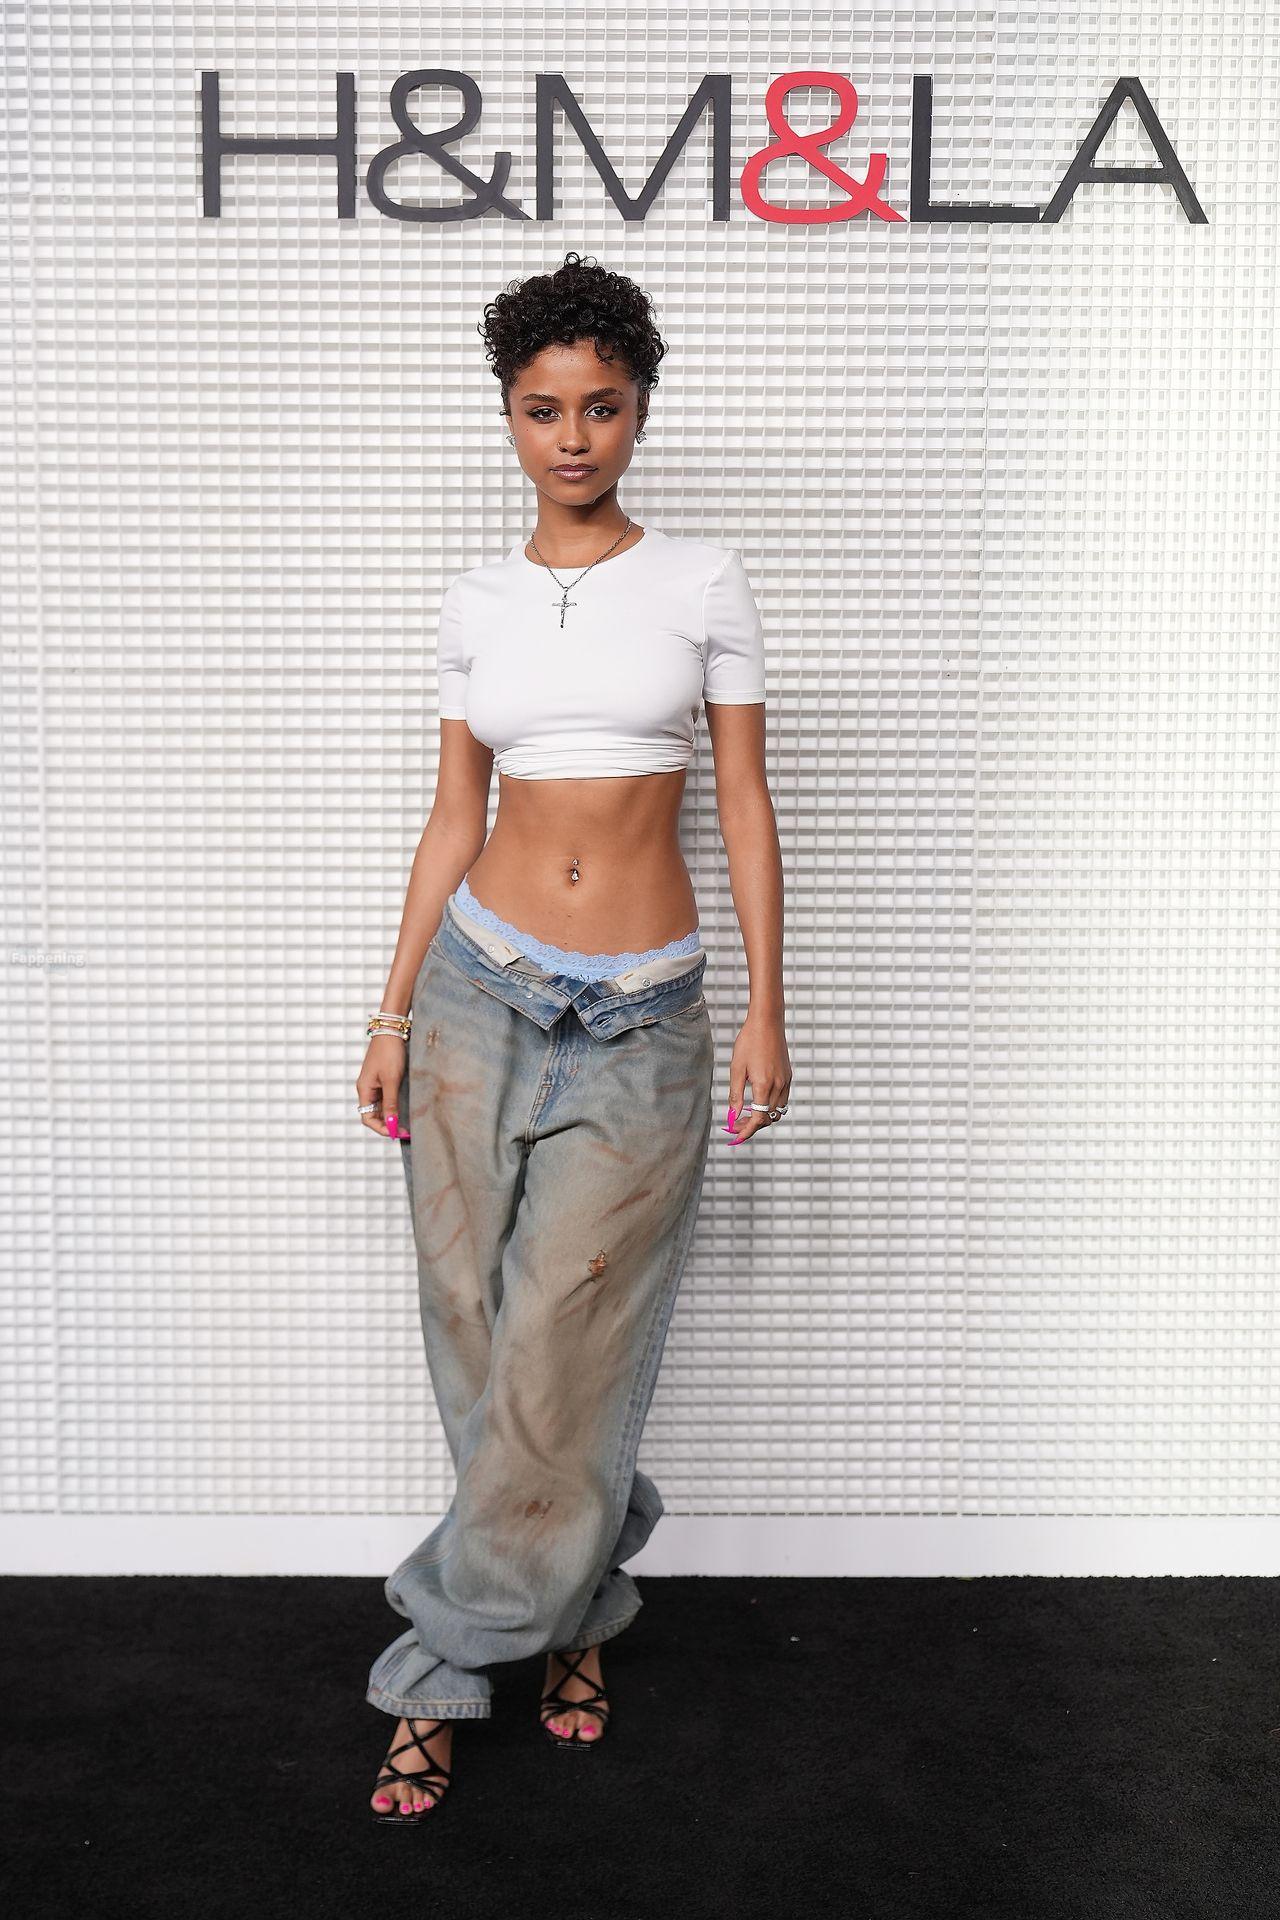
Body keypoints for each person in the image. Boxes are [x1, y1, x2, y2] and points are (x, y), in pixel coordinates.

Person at [357, 251, 792, 1821]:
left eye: (602, 406)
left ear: (641, 411)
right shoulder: (474, 600)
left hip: (643, 1012)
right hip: (476, 985)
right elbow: (450, 815)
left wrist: (766, 1006)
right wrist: (391, 1008)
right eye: (544, 409)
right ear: (509, 415)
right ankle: (583, 1605)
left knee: (568, 1343)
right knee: (472, 1325)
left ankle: (438, 1664)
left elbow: (741, 798)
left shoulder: (703, 580)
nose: (574, 437)